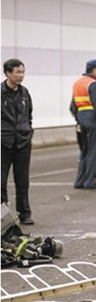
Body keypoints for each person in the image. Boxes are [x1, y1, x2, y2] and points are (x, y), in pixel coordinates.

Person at [1, 59, 35, 225]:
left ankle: (24, 214)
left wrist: (27, 130)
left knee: (22, 180)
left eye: (23, 72)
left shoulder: (24, 93)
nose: (21, 75)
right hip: (3, 141)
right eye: (18, 72)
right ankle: (3, 215)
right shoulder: (1, 93)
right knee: (1, 180)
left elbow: (29, 114)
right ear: (8, 73)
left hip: (22, 141)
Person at [70, 59, 96, 190]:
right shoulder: (93, 83)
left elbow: (72, 106)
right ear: (95, 70)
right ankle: (90, 181)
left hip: (82, 119)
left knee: (84, 151)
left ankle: (79, 181)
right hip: (92, 119)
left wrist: (79, 119)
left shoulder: (77, 83)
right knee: (93, 151)